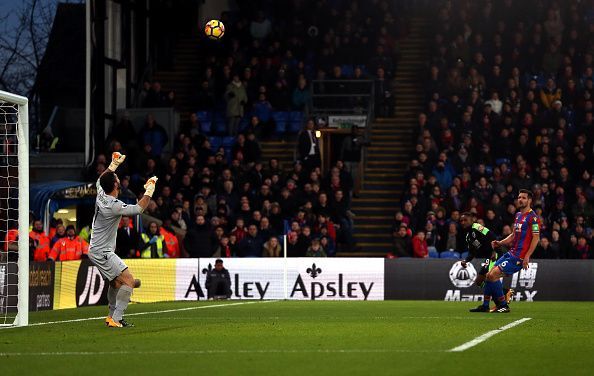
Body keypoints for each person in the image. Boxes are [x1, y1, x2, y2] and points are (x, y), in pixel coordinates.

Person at [88, 152, 157, 328]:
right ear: (116, 184)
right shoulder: (114, 205)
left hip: (97, 249)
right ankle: (117, 318)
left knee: (115, 283)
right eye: (117, 177)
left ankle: (111, 316)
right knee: (128, 281)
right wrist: (149, 190)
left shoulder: (101, 193)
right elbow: (138, 209)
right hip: (103, 251)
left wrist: (113, 164)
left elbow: (102, 178)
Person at [488, 189, 540, 313]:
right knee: (489, 276)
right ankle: (503, 299)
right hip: (511, 253)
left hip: (519, 257)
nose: (520, 199)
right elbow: (513, 235)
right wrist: (500, 242)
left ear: (529, 200)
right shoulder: (518, 215)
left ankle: (503, 305)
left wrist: (527, 256)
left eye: (523, 197)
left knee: (492, 275)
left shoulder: (533, 218)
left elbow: (536, 238)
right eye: (519, 197)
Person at [459, 212, 513, 312]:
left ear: (472, 220)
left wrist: (494, 250)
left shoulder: (477, 227)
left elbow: (491, 235)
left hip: (496, 254)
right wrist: (465, 260)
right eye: (461, 220)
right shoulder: (468, 236)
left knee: (489, 277)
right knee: (479, 281)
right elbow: (472, 252)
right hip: (488, 257)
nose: (463, 222)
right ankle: (502, 293)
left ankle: (502, 304)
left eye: (465, 220)